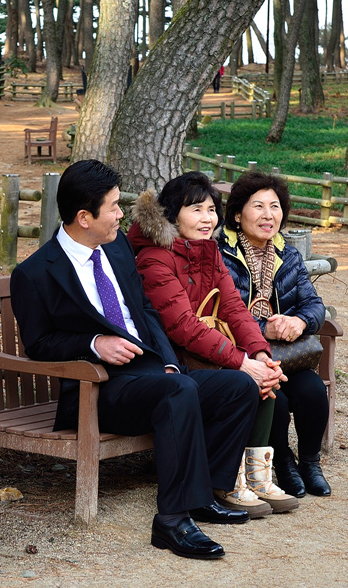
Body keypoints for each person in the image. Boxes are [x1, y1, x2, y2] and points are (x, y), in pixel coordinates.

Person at [9, 159, 260, 561]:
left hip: (154, 374)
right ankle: (172, 521)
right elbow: (39, 344)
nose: (121, 214)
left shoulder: (117, 246)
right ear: (84, 217)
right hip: (99, 387)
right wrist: (94, 343)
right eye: (113, 207)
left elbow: (144, 309)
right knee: (177, 391)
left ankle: (203, 495)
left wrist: (169, 360)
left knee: (238, 387)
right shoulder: (35, 273)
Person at [125, 174, 296, 516]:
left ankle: (255, 477)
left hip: (205, 350)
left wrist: (260, 353)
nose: (207, 219)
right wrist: (242, 362)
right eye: (196, 210)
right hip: (172, 361)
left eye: (211, 210)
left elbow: (234, 308)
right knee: (248, 380)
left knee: (265, 379)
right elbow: (183, 327)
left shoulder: (208, 250)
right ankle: (227, 480)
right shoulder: (154, 258)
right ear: (172, 214)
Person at [219, 171, 332, 497]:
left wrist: (300, 323)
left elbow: (314, 305)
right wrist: (261, 328)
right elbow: (221, 315)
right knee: (275, 399)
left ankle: (309, 463)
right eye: (258, 206)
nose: (268, 215)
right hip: (244, 357)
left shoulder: (288, 255)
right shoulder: (221, 255)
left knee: (313, 391)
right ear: (237, 214)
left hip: (286, 354)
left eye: (275, 206)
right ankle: (282, 462)